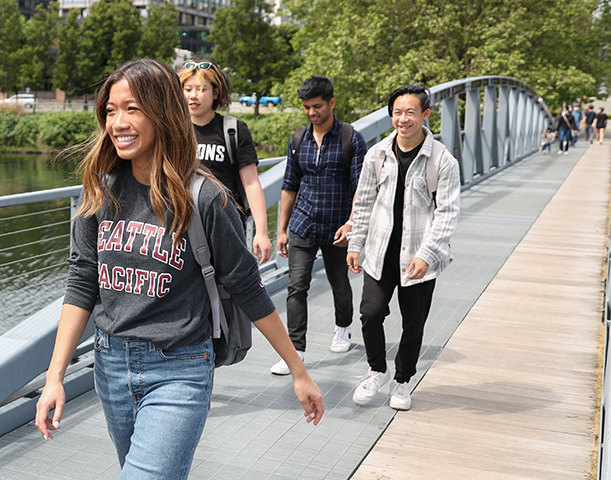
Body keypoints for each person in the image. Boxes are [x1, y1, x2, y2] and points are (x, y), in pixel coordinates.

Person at [34, 59, 323, 479]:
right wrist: (54, 377)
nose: (118, 122)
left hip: (180, 369)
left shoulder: (205, 198)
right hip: (110, 365)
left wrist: (298, 370)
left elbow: (247, 287)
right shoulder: (99, 192)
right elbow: (82, 283)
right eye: (111, 111)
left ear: (163, 112)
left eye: (132, 108)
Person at [346, 84, 461, 411]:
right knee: (370, 313)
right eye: (397, 112)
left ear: (425, 114)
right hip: (380, 252)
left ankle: (403, 380)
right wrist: (356, 243)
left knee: (413, 324)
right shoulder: (377, 154)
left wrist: (428, 254)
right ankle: (376, 370)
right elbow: (364, 201)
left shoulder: (442, 160)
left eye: (410, 112)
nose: (403, 119)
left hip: (418, 256)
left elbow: (448, 212)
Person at [270, 76, 368, 375]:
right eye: (306, 108)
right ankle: (295, 350)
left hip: (338, 227)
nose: (312, 113)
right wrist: (281, 229)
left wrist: (352, 223)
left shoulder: (351, 138)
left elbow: (360, 189)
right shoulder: (298, 139)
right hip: (303, 223)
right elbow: (289, 185)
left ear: (331, 103)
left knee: (340, 283)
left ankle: (343, 328)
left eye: (317, 107)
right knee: (296, 286)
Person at [177, 61, 272, 259]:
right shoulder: (174, 132)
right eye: (187, 89)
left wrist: (261, 232)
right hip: (183, 228)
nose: (193, 95)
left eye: (201, 89)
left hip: (225, 227)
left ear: (216, 93)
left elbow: (251, 182)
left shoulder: (233, 130)